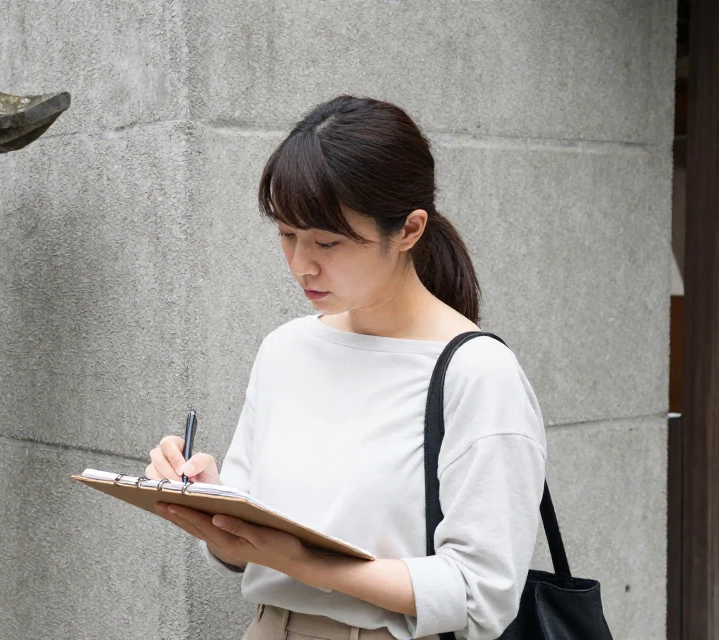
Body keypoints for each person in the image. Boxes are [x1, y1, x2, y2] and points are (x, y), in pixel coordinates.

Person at [147, 95, 546, 640]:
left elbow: (480, 594)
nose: (301, 264)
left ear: (408, 230)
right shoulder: (284, 350)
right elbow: (241, 557)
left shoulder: (477, 372)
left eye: (327, 242)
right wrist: (210, 502)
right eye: (287, 235)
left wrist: (306, 563)